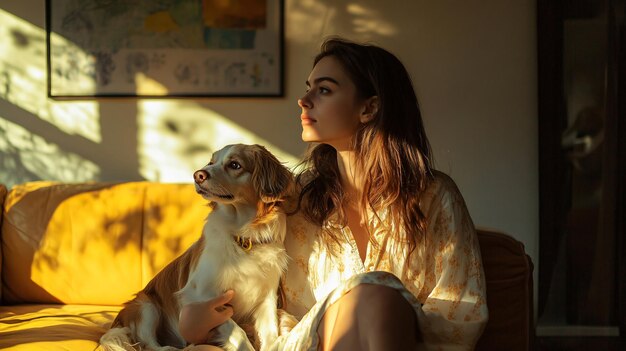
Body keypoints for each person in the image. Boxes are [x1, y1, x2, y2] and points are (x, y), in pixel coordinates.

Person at [181, 37, 488, 351]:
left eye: (324, 90)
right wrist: (192, 319)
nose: (304, 100)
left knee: (375, 294)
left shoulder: (435, 196)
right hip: (305, 345)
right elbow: (225, 270)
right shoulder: (289, 199)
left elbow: (460, 313)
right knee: (369, 293)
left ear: (369, 107)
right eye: (308, 87)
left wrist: (381, 306)